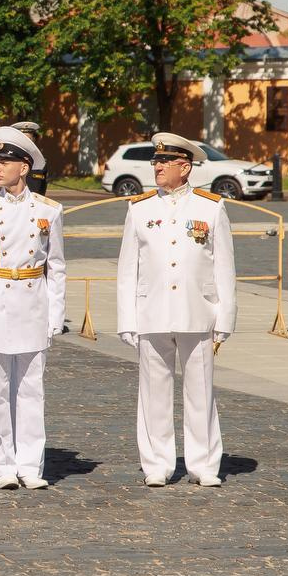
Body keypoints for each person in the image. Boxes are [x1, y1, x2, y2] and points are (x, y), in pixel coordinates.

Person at [116, 132, 235, 487]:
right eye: (156, 162)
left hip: (196, 311)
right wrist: (127, 318)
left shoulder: (210, 207)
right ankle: (157, 463)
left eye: (165, 162)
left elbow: (224, 267)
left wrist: (225, 315)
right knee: (154, 392)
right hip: (151, 311)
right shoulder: (139, 208)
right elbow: (127, 269)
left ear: (185, 167)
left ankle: (204, 464)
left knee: (200, 391)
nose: (158, 167)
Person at [0, 124, 66, 489]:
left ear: (23, 168)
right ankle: (3, 463)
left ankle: (30, 464)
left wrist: (55, 315)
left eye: (6, 162)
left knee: (30, 390)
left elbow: (55, 267)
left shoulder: (49, 211)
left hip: (31, 302)